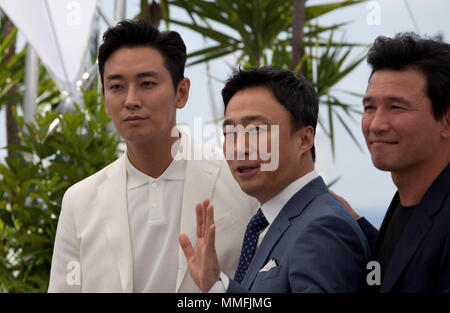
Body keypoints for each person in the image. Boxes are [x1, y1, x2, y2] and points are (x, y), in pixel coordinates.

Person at [48, 19, 258, 292]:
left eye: (146, 83)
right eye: (116, 86)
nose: (131, 100)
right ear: (103, 96)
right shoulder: (80, 202)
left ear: (181, 93)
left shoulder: (239, 183)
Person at [179, 66, 370, 293]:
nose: (239, 148)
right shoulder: (270, 221)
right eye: (230, 133)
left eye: (257, 130)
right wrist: (216, 286)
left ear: (304, 139)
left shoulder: (323, 227)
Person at [346, 33, 450, 292]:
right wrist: (355, 227)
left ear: (446, 121)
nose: (377, 125)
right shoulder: (407, 202)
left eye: (396, 108)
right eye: (369, 108)